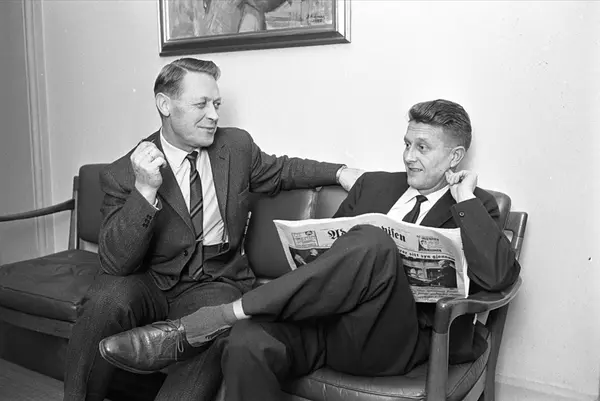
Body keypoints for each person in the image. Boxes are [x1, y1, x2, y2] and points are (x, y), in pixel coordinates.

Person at [100, 99, 521, 400]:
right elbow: (329, 256)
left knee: (374, 241)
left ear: (455, 156)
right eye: (407, 143)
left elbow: (501, 277)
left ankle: (214, 319)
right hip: (327, 325)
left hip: (396, 340)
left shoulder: (475, 206)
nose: (409, 157)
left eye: (422, 148)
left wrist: (464, 199)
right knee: (247, 341)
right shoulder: (375, 185)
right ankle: (233, 321)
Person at [62, 57, 362, 401]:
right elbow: (116, 263)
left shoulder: (235, 148)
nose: (214, 115)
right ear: (165, 105)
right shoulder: (124, 172)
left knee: (213, 325)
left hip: (214, 280)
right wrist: (145, 191)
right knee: (104, 299)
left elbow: (283, 170)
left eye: (216, 104)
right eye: (201, 104)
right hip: (150, 278)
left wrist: (340, 172)